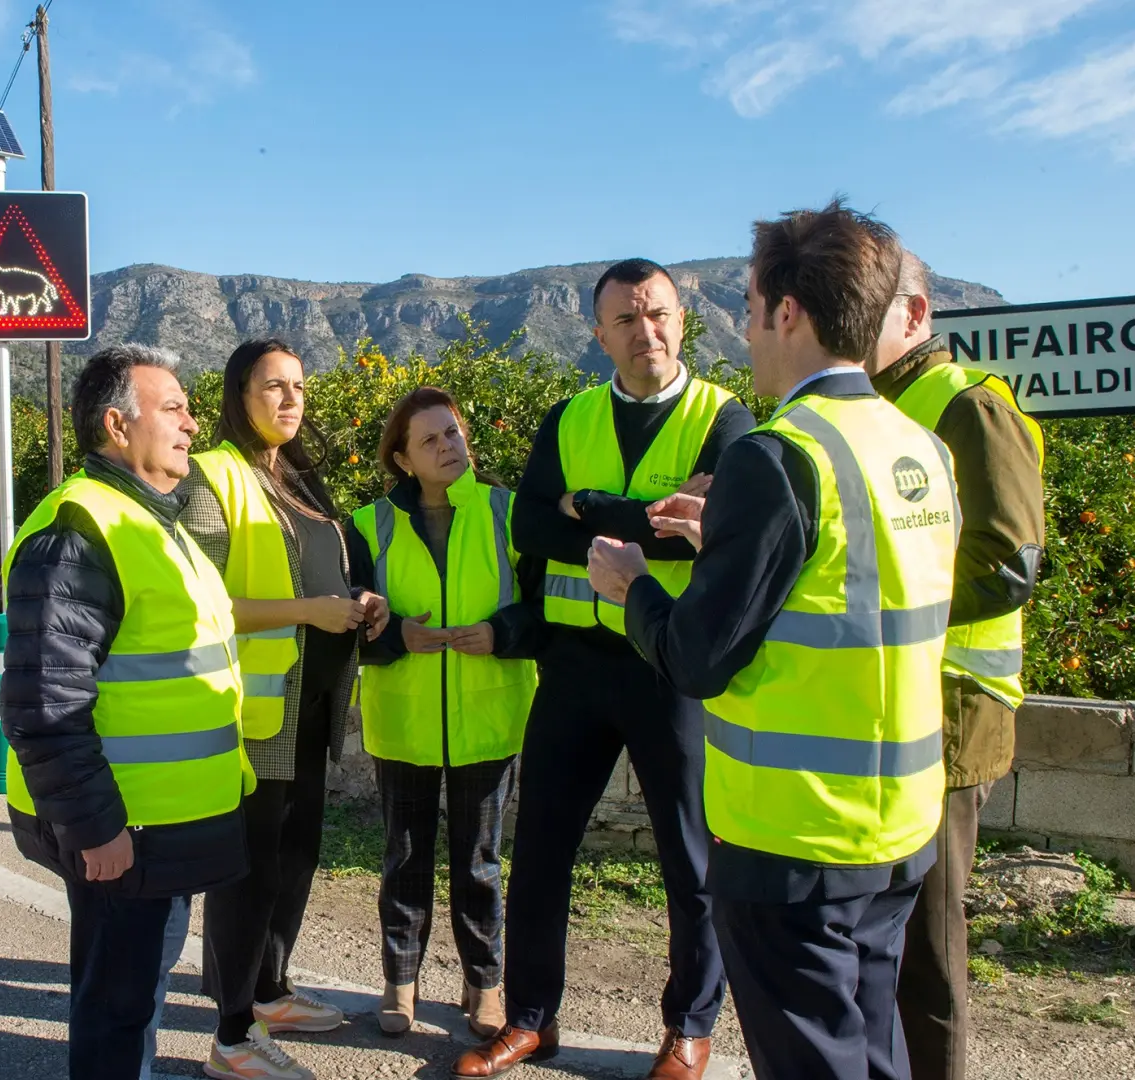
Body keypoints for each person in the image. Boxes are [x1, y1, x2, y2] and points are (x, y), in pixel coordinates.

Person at [592, 199, 960, 1080]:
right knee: (874, 1053)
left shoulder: (778, 453)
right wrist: (733, 537)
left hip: (795, 839)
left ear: (787, 311)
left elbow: (696, 657)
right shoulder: (916, 446)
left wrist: (633, 585)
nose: (745, 329)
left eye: (748, 306)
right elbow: (851, 580)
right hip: (900, 827)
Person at [456, 259, 754, 1080]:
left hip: (667, 666)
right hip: (574, 667)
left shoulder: (726, 422)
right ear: (598, 334)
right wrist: (636, 521)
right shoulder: (570, 414)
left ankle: (689, 1028)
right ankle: (529, 1019)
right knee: (541, 850)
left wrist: (582, 507)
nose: (642, 331)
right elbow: (530, 528)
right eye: (623, 320)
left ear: (683, 319)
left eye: (655, 313)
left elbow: (710, 532)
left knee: (689, 861)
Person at [1, 343, 254, 1080]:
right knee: (117, 1011)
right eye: (173, 408)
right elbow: (44, 701)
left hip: (158, 827)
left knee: (134, 1001)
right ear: (117, 424)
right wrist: (95, 825)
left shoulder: (154, 520)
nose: (190, 423)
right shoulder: (80, 528)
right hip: (123, 831)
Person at [180, 338, 389, 1080]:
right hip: (258, 710)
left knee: (295, 858)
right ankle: (233, 1037)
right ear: (240, 395)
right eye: (274, 387)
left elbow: (330, 573)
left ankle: (268, 991)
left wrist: (360, 604)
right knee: (251, 872)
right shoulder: (215, 477)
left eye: (298, 386)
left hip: (314, 704)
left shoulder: (299, 478)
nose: (291, 400)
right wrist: (311, 610)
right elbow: (199, 602)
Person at [870, 253, 1045, 1080]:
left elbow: (1009, 561)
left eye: (871, 307)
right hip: (897, 702)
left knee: (927, 943)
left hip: (955, 706)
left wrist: (873, 606)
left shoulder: (966, 405)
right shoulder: (882, 409)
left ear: (917, 313)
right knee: (885, 935)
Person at [353, 387, 542, 1039]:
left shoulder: (507, 512)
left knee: (479, 862)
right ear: (402, 460)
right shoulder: (367, 524)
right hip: (402, 720)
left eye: (453, 433)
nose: (448, 447)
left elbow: (544, 606)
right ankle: (399, 984)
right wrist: (392, 633)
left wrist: (501, 633)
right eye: (429, 440)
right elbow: (348, 619)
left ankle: (484, 984)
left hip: (487, 719)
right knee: (404, 857)